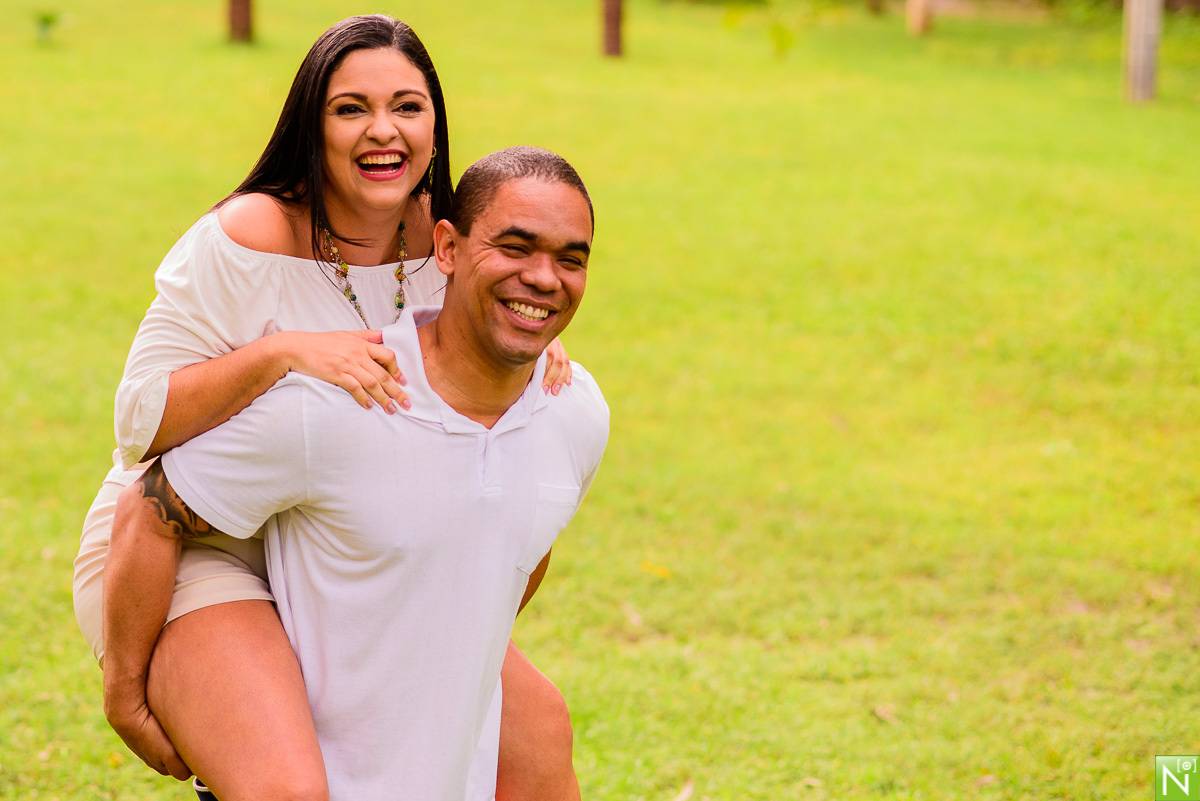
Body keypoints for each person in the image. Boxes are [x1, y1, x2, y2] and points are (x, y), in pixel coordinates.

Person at [73, 16, 579, 801]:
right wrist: (280, 353)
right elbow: (139, 422)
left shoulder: (448, 238)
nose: (384, 130)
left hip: (352, 546)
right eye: (351, 109)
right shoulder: (250, 235)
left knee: (537, 733)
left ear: (435, 124)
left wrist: (529, 333)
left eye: (407, 107)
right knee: (287, 785)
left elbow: (499, 315)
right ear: (313, 126)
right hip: (194, 541)